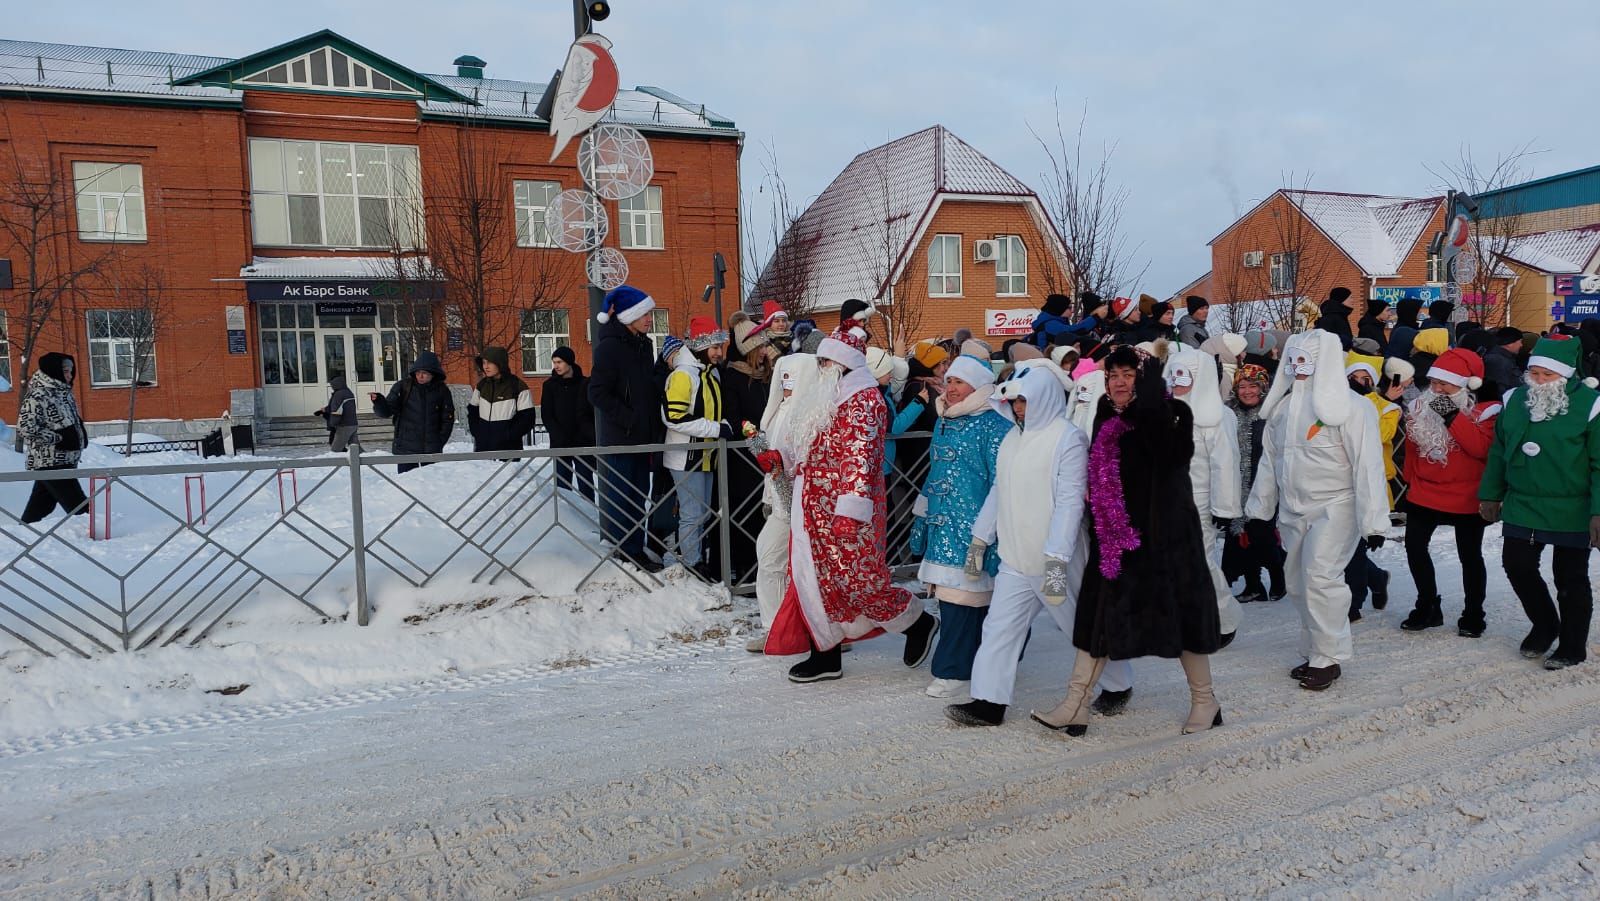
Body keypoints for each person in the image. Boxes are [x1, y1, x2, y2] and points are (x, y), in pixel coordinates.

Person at [1030, 344, 1224, 736]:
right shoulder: (1104, 414)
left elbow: (1169, 455)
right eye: (1112, 375)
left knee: (1184, 619)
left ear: (1147, 379)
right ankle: (1075, 703)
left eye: (1129, 375)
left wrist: (1150, 399)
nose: (1118, 383)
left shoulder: (1174, 414)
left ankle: (1205, 701)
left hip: (1167, 539)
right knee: (1100, 617)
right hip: (1115, 539)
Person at [765, 324, 939, 682]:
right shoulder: (823, 397)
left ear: (843, 364)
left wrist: (850, 509)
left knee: (860, 581)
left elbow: (860, 457)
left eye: (827, 361)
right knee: (815, 581)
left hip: (847, 511)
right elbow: (810, 449)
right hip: (812, 507)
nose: (822, 367)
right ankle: (825, 653)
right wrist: (783, 463)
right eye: (821, 361)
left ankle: (917, 622)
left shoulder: (865, 400)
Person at [944, 367, 1089, 727]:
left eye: (1024, 400)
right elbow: (999, 490)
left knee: (1080, 627)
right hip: (1014, 558)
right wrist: (981, 539)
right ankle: (988, 702)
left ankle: (1117, 683)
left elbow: (1071, 501)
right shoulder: (1013, 438)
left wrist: (1056, 559)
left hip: (1055, 560)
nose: (1018, 408)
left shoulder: (1067, 438)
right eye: (1014, 401)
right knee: (999, 627)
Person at [1245, 330, 1390, 691]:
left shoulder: (1351, 408)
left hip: (1336, 506)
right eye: (1291, 362)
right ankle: (1315, 650)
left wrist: (1373, 521)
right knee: (1297, 582)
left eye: (1305, 361)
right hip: (1295, 509)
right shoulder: (1281, 410)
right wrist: (1260, 509)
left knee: (1320, 578)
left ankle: (1329, 657)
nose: (1297, 369)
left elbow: (1367, 464)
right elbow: (1270, 462)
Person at [1479, 337, 1600, 670]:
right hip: (1523, 501)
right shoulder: (1515, 400)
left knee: (1570, 578)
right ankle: (1545, 624)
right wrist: (1491, 493)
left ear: (1564, 376)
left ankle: (1573, 645)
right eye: (1534, 373)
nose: (1539, 381)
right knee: (1517, 565)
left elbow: (1599, 463)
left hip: (1572, 505)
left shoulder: (1591, 405)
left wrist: (1598, 511)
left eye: (1547, 375)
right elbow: (1500, 451)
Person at [911, 355, 1013, 699]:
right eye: (949, 381)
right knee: (954, 598)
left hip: (976, 529)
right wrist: (922, 515)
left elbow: (1003, 481)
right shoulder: (945, 420)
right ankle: (968, 664)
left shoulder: (994, 424)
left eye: (959, 382)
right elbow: (935, 474)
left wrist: (989, 532)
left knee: (968, 599)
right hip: (945, 526)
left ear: (978, 386)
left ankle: (956, 669)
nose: (951, 389)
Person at [1398, 348, 1499, 636]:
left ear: (1466, 384)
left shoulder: (1485, 411)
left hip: (1467, 495)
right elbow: (1412, 450)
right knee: (1415, 548)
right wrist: (1411, 480)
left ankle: (1473, 613)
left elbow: (1479, 449)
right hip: (1425, 491)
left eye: (1446, 384)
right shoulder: (1419, 408)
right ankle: (1427, 605)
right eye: (1434, 383)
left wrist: (1450, 413)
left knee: (1470, 555)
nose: (1438, 390)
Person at [1166, 349, 1244, 646]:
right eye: (1172, 375)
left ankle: (1224, 620)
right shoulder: (1165, 413)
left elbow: (1225, 463)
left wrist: (1224, 506)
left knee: (1201, 562)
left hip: (1199, 501)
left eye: (1182, 376)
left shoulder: (1217, 415)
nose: (1176, 383)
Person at [588, 284, 666, 573]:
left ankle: (636, 547)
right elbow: (597, 392)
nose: (649, 319)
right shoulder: (609, 348)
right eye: (645, 314)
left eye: (650, 314)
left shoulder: (644, 345)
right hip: (621, 436)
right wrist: (629, 418)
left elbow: (644, 387)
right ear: (628, 316)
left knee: (639, 495)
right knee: (623, 495)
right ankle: (628, 551)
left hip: (643, 435)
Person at [748, 353, 818, 652]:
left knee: (805, 568)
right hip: (781, 501)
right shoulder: (777, 412)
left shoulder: (812, 413)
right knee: (770, 557)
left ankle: (820, 631)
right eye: (783, 377)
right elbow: (772, 459)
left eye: (793, 377)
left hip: (803, 503)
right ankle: (777, 627)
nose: (786, 384)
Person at [662, 317, 732, 578]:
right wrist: (716, 429)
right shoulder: (683, 374)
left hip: (706, 454)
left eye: (719, 346)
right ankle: (691, 563)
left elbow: (715, 412)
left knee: (702, 513)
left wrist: (722, 424)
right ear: (701, 347)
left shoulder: (710, 372)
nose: (718, 352)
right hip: (685, 456)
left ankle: (686, 557)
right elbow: (675, 417)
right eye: (713, 347)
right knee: (693, 514)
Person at [720, 310, 778, 584]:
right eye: (762, 346)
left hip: (764, 452)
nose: (766, 350)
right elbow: (735, 416)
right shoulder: (733, 376)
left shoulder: (764, 375)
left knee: (764, 509)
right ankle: (745, 567)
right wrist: (757, 440)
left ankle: (763, 563)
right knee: (745, 510)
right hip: (744, 453)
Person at [1343, 352, 1399, 621]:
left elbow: (1381, 435)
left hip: (1372, 486)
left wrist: (1375, 404)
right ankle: (1376, 578)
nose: (1358, 382)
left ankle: (1353, 603)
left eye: (1365, 378)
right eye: (1353, 377)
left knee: (1355, 550)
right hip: (1340, 486)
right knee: (1344, 548)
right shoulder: (1335, 403)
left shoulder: (1386, 407)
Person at [1222, 363, 1285, 603]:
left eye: (1253, 386)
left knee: (1262, 536)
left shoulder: (1272, 413)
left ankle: (1279, 577)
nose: (1247, 391)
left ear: (1263, 387)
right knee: (1238, 536)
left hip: (1265, 485)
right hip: (1235, 484)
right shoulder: (1228, 413)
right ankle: (1253, 584)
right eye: (1242, 386)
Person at [17, 352, 90, 524]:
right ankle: (97, 539)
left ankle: (21, 537)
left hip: (66, 460)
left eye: (70, 371)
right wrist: (58, 439)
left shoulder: (64, 394)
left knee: (40, 507)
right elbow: (25, 427)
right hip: (50, 462)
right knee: (81, 508)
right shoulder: (38, 395)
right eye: (65, 371)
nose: (69, 375)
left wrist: (80, 436)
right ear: (53, 371)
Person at [369, 350, 454, 473]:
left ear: (433, 373)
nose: (420, 376)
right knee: (406, 486)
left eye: (424, 373)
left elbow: (448, 419)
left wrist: (439, 441)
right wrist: (379, 402)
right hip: (406, 449)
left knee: (431, 486)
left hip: (431, 450)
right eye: (418, 372)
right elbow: (386, 411)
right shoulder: (403, 387)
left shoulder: (442, 391)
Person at [538, 346, 596, 498]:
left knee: (586, 483)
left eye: (560, 362)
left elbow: (589, 412)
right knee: (562, 486)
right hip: (560, 442)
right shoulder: (549, 385)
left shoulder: (584, 383)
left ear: (569, 362)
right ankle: (566, 519)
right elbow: (547, 414)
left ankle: (589, 517)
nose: (556, 366)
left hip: (582, 441)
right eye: (554, 362)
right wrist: (558, 435)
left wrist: (588, 434)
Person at [467, 347, 535, 453]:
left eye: (489, 363)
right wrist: (478, 433)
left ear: (500, 363)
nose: (486, 367)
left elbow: (527, 418)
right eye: (484, 363)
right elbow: (472, 412)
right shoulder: (482, 385)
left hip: (509, 449)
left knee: (509, 471)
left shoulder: (517, 386)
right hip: (483, 448)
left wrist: (509, 435)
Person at [1029, 292, 1107, 349]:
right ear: (1060, 309)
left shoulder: (1053, 321)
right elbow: (1074, 331)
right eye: (1069, 307)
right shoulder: (1049, 324)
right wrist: (1096, 317)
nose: (1072, 310)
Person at [315, 374, 359, 452]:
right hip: (353, 423)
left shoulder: (339, 394)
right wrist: (325, 409)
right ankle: (370, 461)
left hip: (344, 425)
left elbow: (336, 410)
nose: (331, 386)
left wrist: (333, 424)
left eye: (332, 384)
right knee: (356, 449)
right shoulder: (348, 392)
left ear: (335, 384)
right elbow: (340, 407)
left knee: (336, 450)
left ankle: (339, 463)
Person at [1316, 287, 1357, 351]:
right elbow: (1322, 338)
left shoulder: (1341, 315)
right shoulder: (1331, 317)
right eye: (1350, 297)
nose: (1353, 300)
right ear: (1342, 299)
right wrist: (1347, 341)